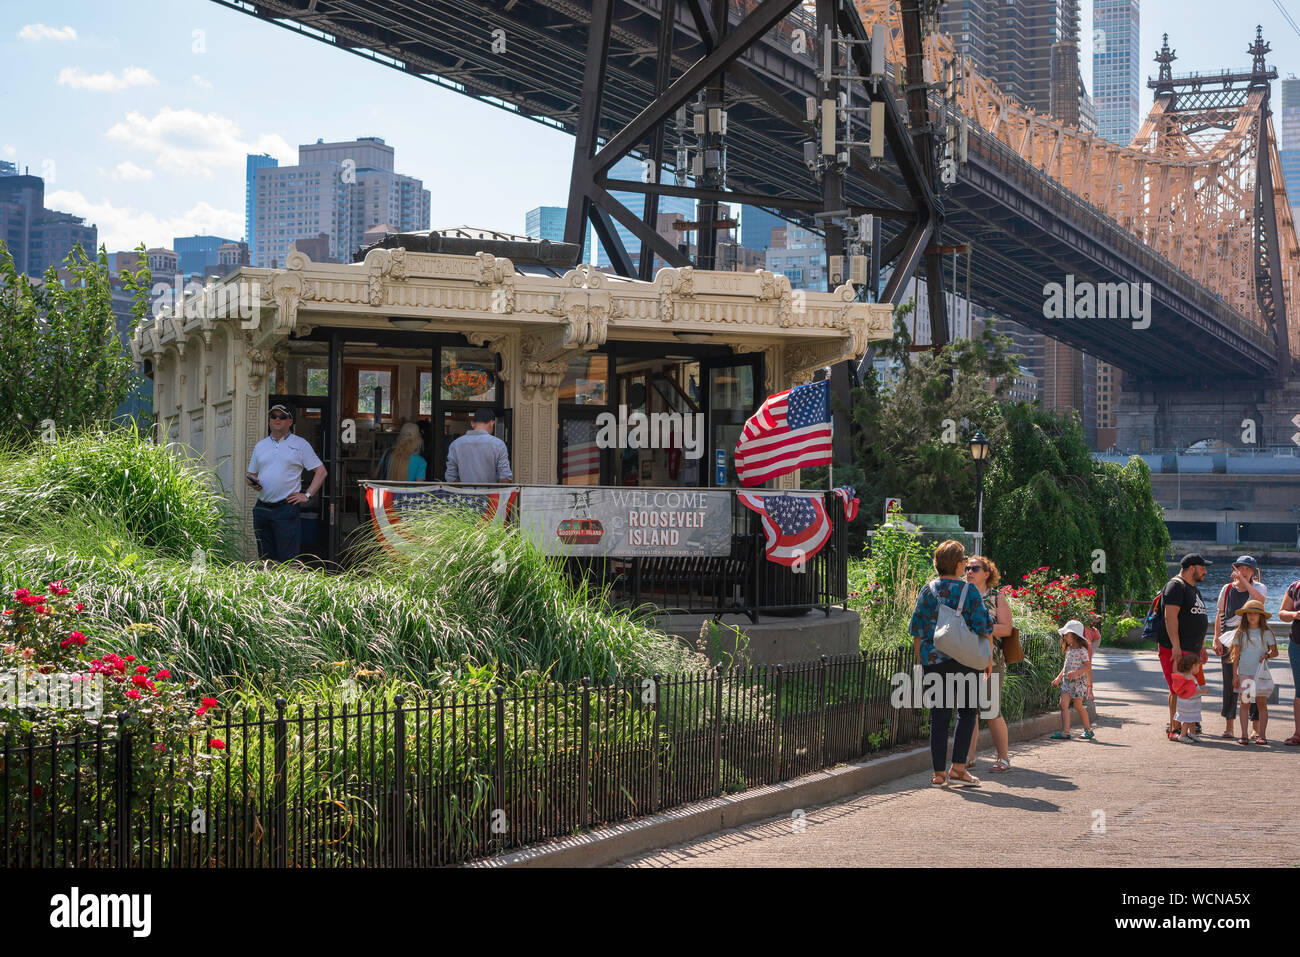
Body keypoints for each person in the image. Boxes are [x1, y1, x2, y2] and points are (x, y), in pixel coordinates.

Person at [908, 539, 994, 787]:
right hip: (965, 661)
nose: (966, 565)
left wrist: (922, 662)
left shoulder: (927, 591)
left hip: (934, 661)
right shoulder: (969, 591)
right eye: (964, 561)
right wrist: (986, 657)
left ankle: (938, 774)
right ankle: (958, 768)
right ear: (957, 565)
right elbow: (983, 626)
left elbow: (917, 630)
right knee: (967, 712)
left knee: (939, 715)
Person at [246, 404, 327, 563]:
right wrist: (252, 482)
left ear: (290, 421)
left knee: (288, 560)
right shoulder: (260, 445)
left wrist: (307, 495)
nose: (277, 419)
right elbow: (251, 474)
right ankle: (266, 587)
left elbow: (321, 471)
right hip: (261, 508)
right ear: (269, 420)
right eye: (273, 416)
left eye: (282, 417)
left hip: (286, 508)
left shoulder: (300, 444)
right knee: (265, 559)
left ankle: (286, 587)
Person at [963, 555, 1013, 773]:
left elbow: (1007, 629)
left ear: (987, 573)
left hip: (990, 660)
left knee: (990, 709)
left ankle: (1003, 758)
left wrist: (981, 627)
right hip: (964, 658)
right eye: (966, 568)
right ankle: (968, 757)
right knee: (967, 710)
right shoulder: (961, 594)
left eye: (975, 568)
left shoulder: (996, 598)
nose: (969, 571)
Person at [1212, 556, 1266, 739]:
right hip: (1228, 640)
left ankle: (1255, 727)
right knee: (1230, 683)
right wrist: (1216, 638)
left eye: (1247, 569)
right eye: (1240, 568)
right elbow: (1220, 614)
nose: (1243, 572)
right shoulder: (1226, 589)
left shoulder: (1258, 588)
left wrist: (1244, 582)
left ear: (1253, 572)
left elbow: (1260, 601)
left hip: (1251, 642)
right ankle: (1229, 725)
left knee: (1250, 683)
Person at [1160, 554, 1211, 741]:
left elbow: (1198, 618)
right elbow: (1170, 616)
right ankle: (1174, 728)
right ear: (1192, 568)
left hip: (1193, 648)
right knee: (1177, 687)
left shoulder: (1193, 589)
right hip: (1177, 648)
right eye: (1203, 567)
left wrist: (1202, 646)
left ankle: (1187, 728)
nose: (1205, 571)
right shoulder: (1176, 586)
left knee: (1188, 688)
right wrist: (1176, 646)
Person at [1224, 599, 1279, 746]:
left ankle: (1262, 735)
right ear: (1245, 615)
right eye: (1249, 613)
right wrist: (1235, 675)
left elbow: (1275, 652)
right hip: (1245, 675)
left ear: (1261, 616)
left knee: (1261, 704)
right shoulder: (1241, 633)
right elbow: (1235, 656)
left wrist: (1267, 655)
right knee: (1244, 704)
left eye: (1256, 613)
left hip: (1259, 675)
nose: (1252, 616)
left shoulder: (1266, 633)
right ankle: (1243, 735)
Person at [1051, 620, 1095, 740]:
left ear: (1074, 635)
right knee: (1063, 704)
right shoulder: (1069, 649)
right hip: (1067, 682)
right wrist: (1059, 678)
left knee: (1078, 705)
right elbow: (1066, 666)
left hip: (1078, 682)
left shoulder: (1082, 650)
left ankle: (1088, 730)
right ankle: (1065, 732)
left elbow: (1087, 666)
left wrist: (1076, 673)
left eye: (1066, 634)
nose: (1064, 637)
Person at [445, 408, 512, 484]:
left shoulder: (455, 444)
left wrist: (462, 492)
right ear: (492, 423)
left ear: (472, 423)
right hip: (490, 494)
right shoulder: (498, 444)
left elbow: (451, 476)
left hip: (464, 494)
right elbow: (505, 477)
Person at [1277, 576, 1300, 746]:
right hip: (1297, 645)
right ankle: (1298, 734)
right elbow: (1282, 614)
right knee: (1299, 690)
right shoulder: (1295, 586)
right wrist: (1295, 614)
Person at [1169, 654, 1202, 742]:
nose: (1199, 669)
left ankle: (1192, 733)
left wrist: (1175, 661)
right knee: (1187, 720)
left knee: (1192, 719)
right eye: (1198, 667)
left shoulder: (1182, 675)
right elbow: (1193, 690)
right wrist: (1203, 691)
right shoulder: (1190, 678)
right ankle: (1183, 735)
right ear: (1193, 666)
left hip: (1187, 703)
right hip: (1189, 704)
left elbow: (1174, 670)